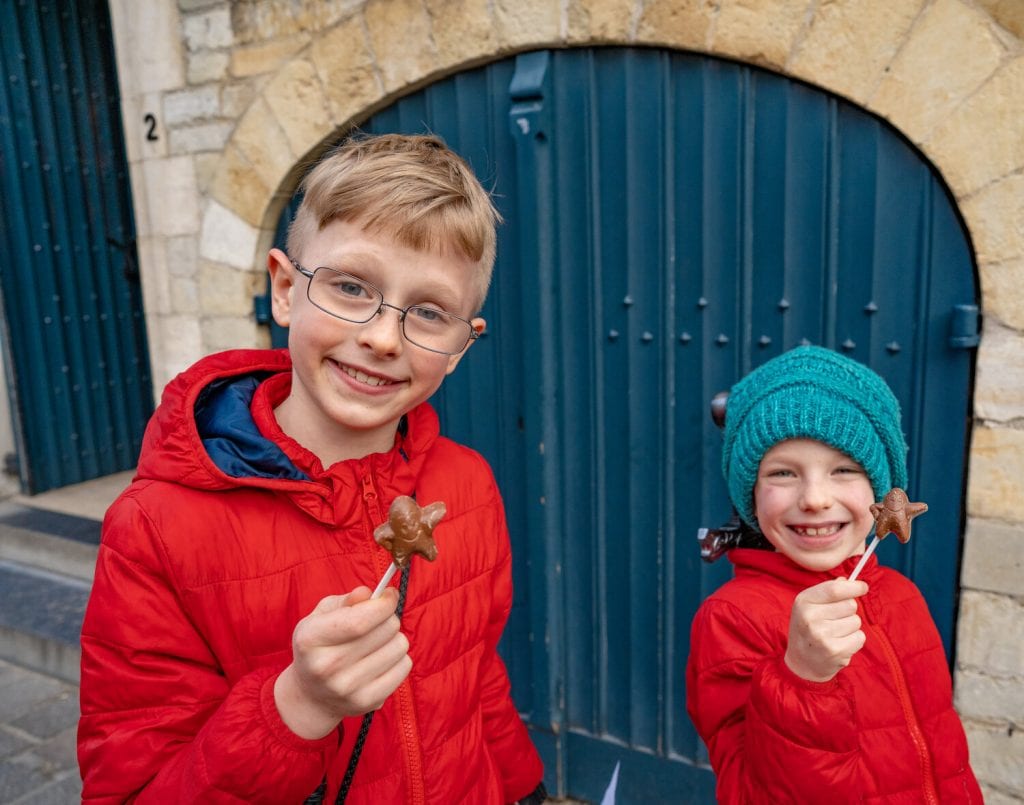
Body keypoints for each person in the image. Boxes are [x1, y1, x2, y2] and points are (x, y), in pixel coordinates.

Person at [78, 133, 546, 804]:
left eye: (429, 312)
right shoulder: (154, 530)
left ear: (461, 345)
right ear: (286, 289)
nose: (384, 338)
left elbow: (474, 676)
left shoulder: (467, 485)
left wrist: (522, 786)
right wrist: (294, 706)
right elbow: (134, 787)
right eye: (352, 287)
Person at [686, 345, 981, 803]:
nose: (816, 498)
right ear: (750, 494)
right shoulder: (731, 619)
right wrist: (800, 677)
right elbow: (751, 793)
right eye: (783, 473)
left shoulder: (904, 596)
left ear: (882, 492)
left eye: (844, 469)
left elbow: (940, 749)